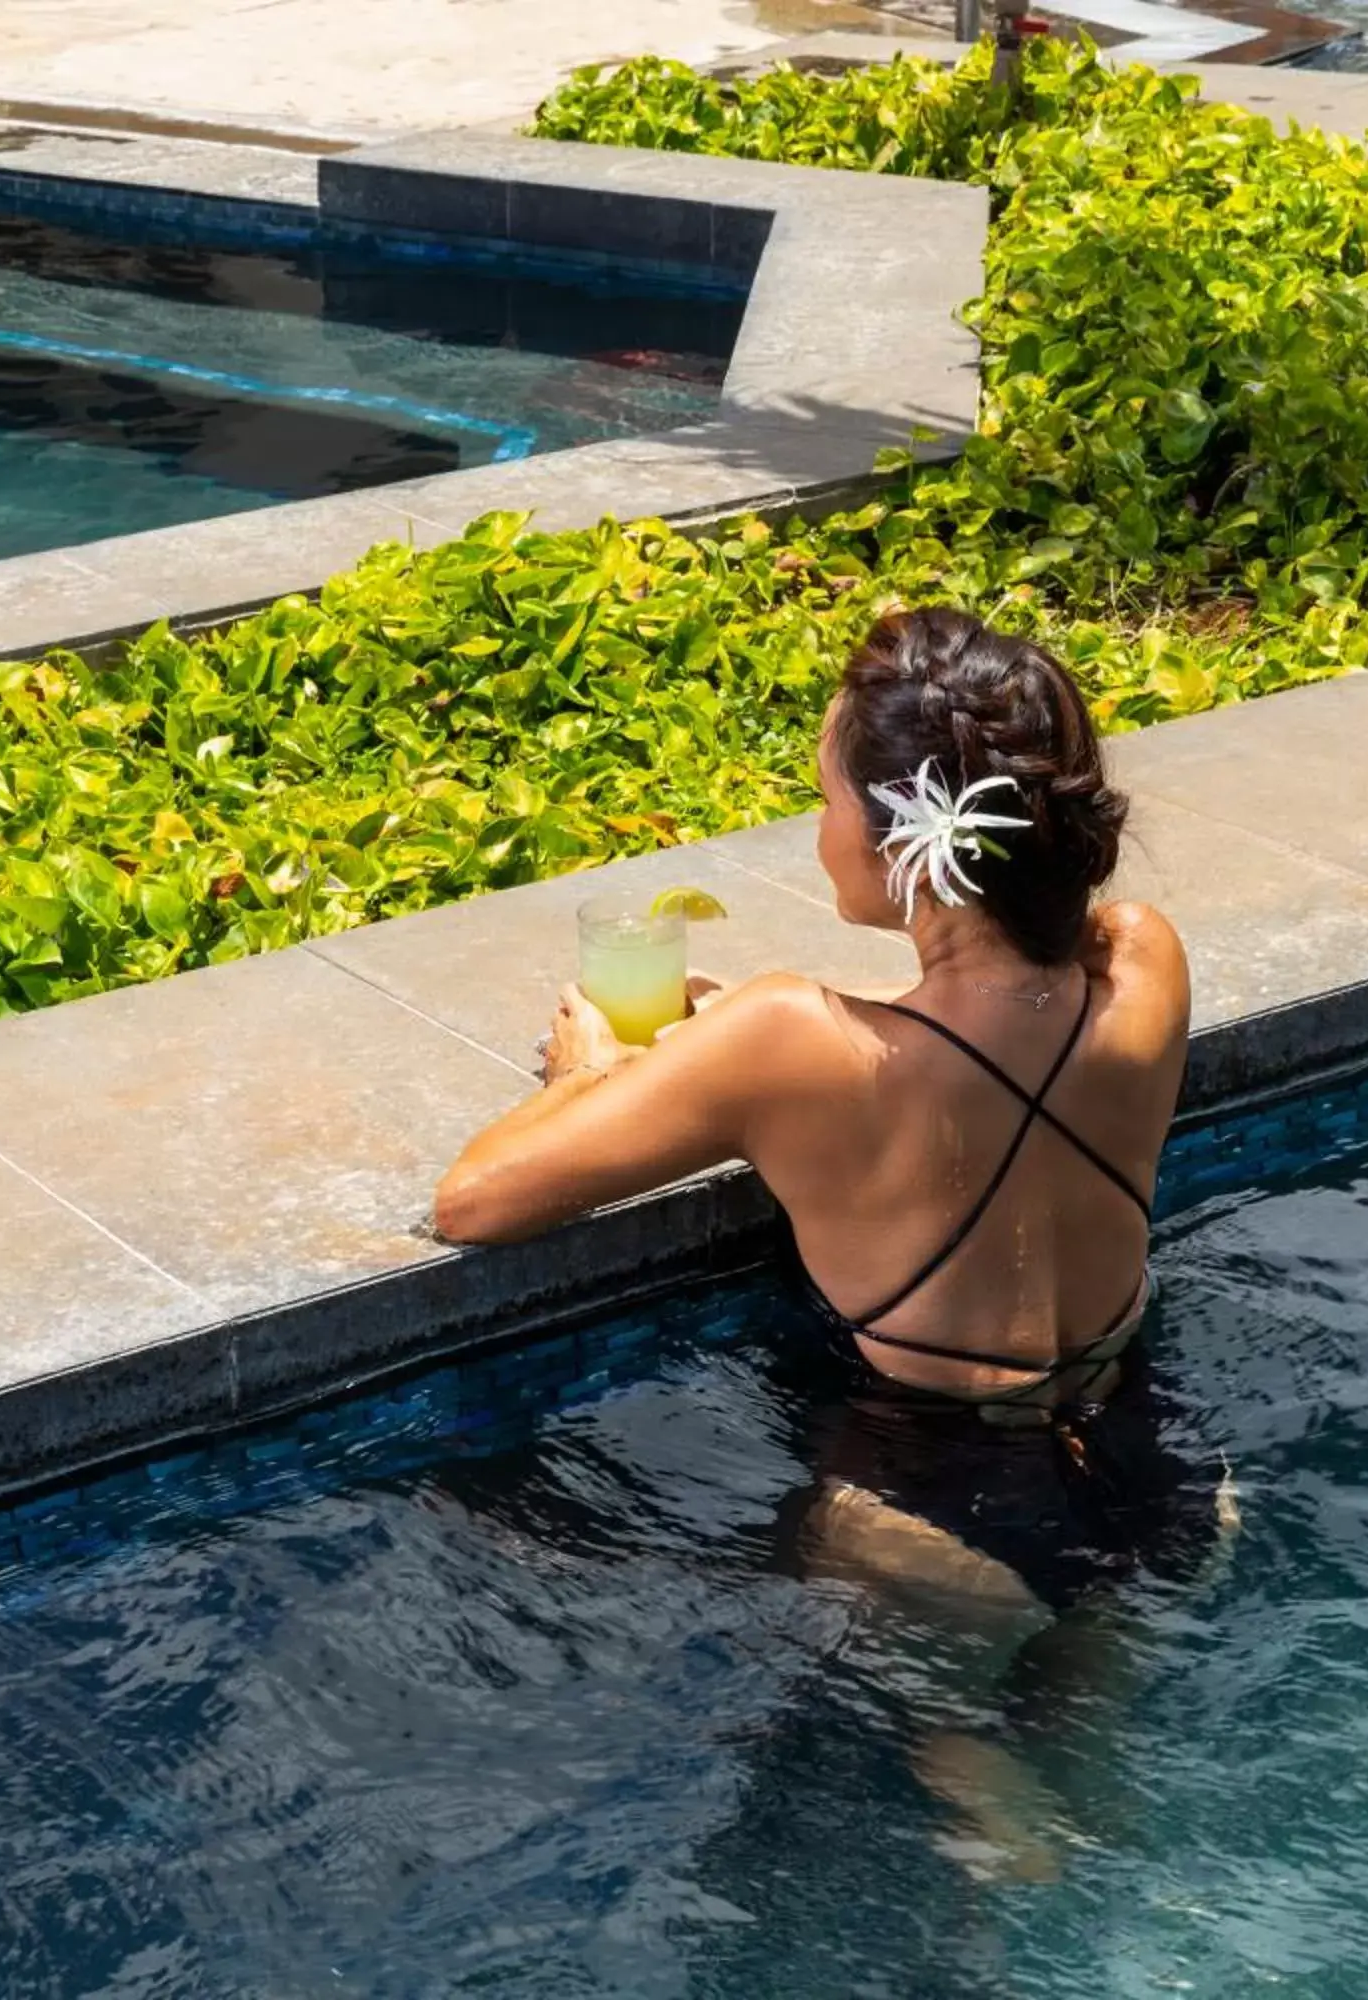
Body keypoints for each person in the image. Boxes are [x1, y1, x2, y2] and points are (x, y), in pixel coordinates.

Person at [433, 604, 1215, 1877]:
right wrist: (730, 1039)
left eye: (829, 797)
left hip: (935, 1527)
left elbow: (475, 1198)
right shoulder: (1145, 960)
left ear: (909, 837)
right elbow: (972, 1021)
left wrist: (595, 1073)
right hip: (1158, 1464)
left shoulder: (790, 1035)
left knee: (970, 1816)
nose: (817, 830)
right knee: (1099, 1794)